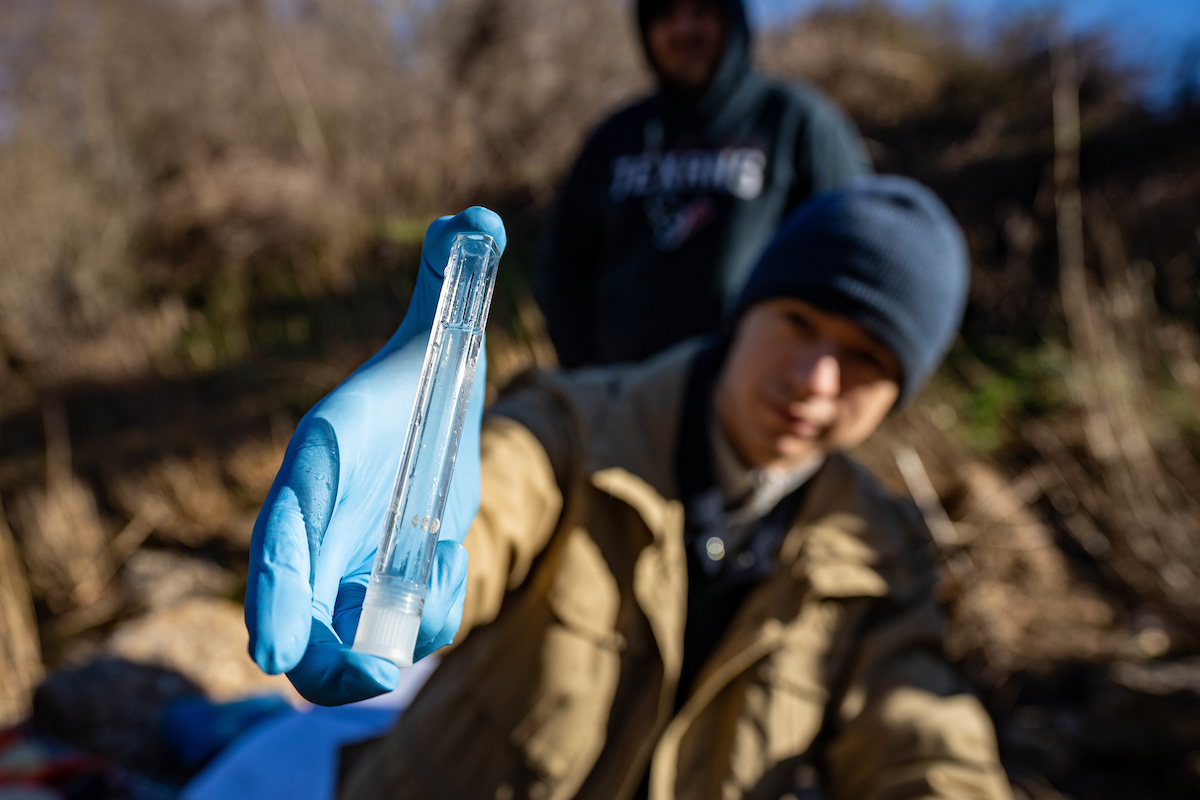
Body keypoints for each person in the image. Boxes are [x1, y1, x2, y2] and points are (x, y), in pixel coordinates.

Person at [245, 178, 1013, 800]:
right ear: (747, 310)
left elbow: (916, 728)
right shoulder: (575, 425)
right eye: (799, 321)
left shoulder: (883, 552)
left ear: (898, 394)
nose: (815, 379)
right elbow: (503, 491)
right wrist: (400, 533)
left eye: (866, 358)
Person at [536, 0, 872, 369]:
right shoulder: (615, 137)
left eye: (700, 12)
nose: (684, 30)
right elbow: (563, 262)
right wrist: (583, 367)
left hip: (753, 393)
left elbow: (856, 251)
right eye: (666, 16)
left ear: (732, 20)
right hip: (621, 397)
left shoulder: (795, 121)